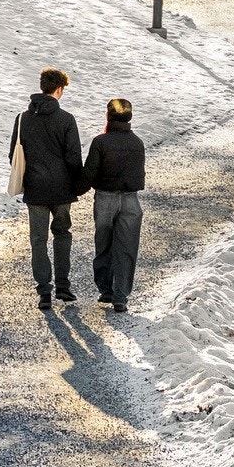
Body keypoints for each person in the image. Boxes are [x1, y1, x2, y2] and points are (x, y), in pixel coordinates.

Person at [9, 67, 83, 311]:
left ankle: (44, 292)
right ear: (59, 89)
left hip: (35, 190)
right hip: (62, 190)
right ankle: (63, 287)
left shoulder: (22, 119)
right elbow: (73, 157)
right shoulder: (66, 119)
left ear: (42, 87)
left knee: (38, 239)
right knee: (62, 234)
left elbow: (14, 155)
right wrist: (77, 181)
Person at [81, 96, 145, 313]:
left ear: (108, 116)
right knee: (126, 248)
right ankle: (120, 297)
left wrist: (74, 189)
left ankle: (106, 289)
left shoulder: (101, 142)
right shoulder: (137, 143)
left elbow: (89, 174)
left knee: (104, 243)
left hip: (105, 198)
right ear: (129, 118)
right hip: (130, 199)